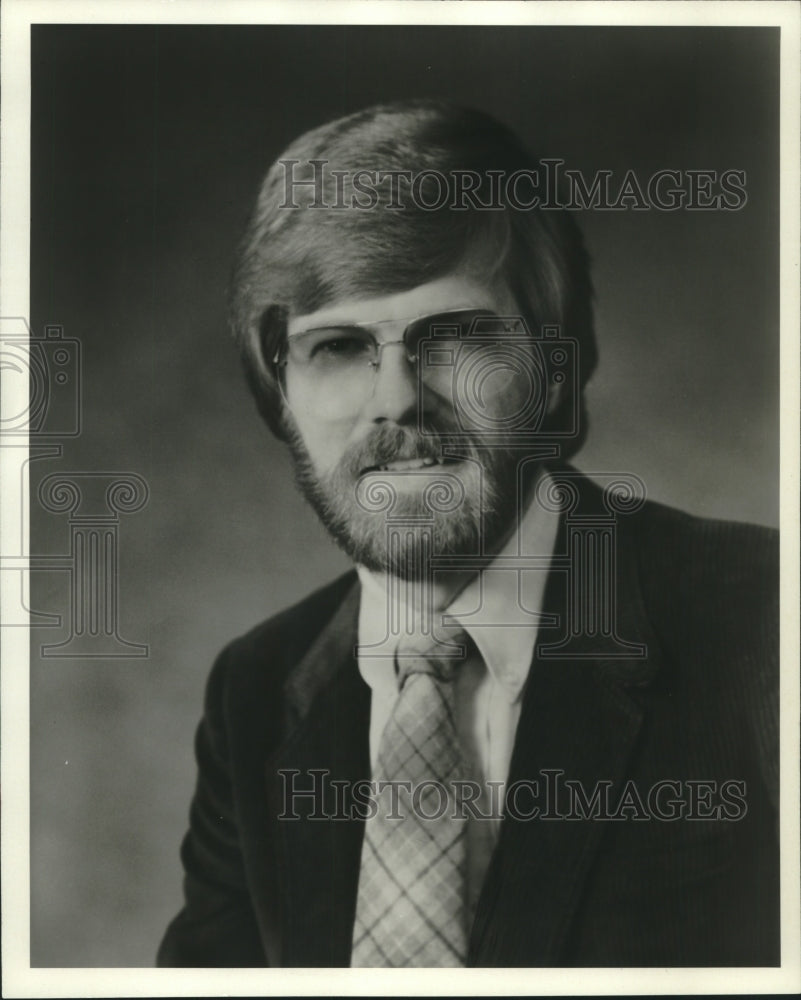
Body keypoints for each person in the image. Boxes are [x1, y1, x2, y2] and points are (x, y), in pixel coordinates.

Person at [157, 101, 779, 968]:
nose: (395, 400)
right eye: (336, 347)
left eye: (452, 337)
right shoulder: (256, 692)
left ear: (553, 367)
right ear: (282, 396)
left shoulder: (760, 621)